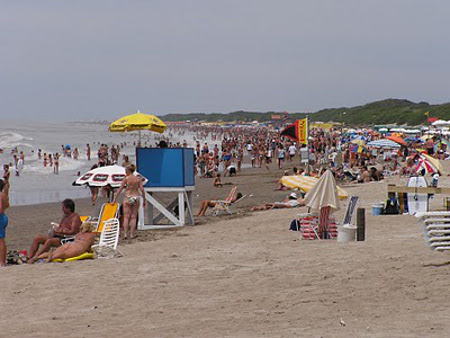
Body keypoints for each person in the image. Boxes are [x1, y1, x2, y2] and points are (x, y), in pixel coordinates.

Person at [27, 199, 82, 263]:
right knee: (38, 238)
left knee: (49, 241)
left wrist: (62, 231)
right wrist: (57, 230)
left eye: (63, 207)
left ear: (68, 208)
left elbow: (73, 231)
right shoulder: (65, 216)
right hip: (59, 236)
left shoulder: (75, 217)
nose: (62, 209)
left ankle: (36, 257)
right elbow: (60, 227)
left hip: (67, 239)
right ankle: (29, 257)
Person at [113, 164, 146, 239]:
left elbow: (120, 189)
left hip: (128, 197)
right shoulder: (138, 179)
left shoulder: (126, 178)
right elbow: (142, 190)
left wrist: (115, 198)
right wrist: (144, 199)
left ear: (128, 171)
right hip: (135, 196)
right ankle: (131, 234)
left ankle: (125, 234)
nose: (125, 172)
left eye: (126, 171)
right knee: (133, 217)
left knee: (126, 217)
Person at [0, 180, 9, 267]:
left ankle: (2, 262)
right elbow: (7, 205)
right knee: (2, 240)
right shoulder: (3, 195)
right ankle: (2, 261)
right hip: (3, 217)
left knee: (1, 240)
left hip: (0, 217)